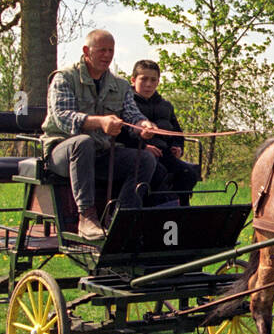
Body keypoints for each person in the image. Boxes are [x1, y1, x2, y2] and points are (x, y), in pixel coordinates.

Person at [42, 30, 158, 240]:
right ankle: (86, 217)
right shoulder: (64, 78)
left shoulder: (120, 85)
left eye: (111, 51)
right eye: (102, 50)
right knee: (82, 143)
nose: (107, 55)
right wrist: (100, 122)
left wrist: (144, 125)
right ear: (87, 51)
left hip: (101, 153)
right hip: (62, 153)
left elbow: (132, 115)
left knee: (146, 159)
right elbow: (63, 118)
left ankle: (121, 218)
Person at [126, 59, 201, 207]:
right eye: (144, 79)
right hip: (139, 154)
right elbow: (123, 133)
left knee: (189, 173)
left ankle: (183, 211)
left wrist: (178, 148)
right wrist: (142, 148)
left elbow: (177, 133)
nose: (148, 84)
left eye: (153, 80)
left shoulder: (166, 106)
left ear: (158, 82)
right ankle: (155, 212)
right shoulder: (128, 105)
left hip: (164, 153)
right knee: (158, 172)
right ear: (133, 80)